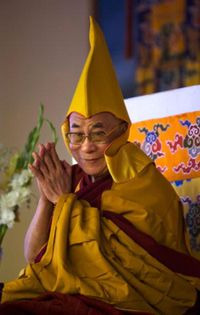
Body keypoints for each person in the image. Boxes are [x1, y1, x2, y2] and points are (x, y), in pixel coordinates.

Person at [0, 16, 200, 315]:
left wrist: (64, 202)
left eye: (98, 133)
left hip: (127, 302)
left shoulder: (145, 184)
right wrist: (47, 197)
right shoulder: (74, 181)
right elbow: (35, 259)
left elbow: (138, 271)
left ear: (122, 130)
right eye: (76, 134)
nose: (86, 146)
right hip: (69, 293)